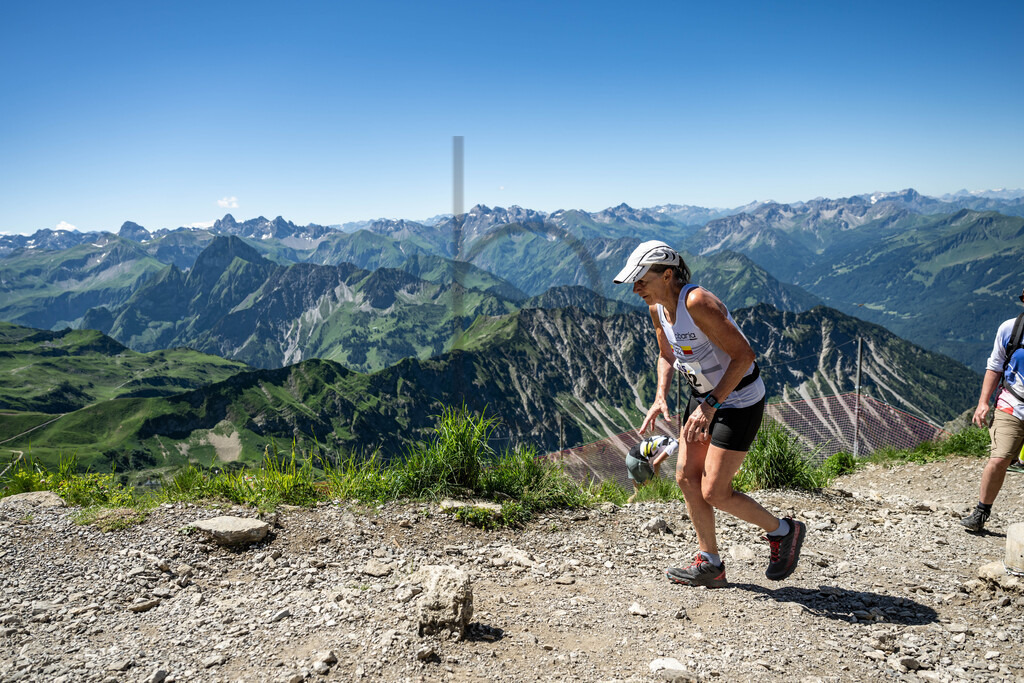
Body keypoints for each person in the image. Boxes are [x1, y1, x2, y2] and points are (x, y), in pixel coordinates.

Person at [614, 240, 805, 587]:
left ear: (667, 274)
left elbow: (745, 356)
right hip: (704, 399)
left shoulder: (696, 302)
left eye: (641, 278)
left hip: (738, 400)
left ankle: (784, 531)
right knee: (687, 477)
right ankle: (710, 563)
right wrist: (660, 396)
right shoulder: (657, 308)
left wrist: (711, 404)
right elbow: (666, 354)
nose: (635, 287)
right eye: (633, 281)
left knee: (715, 491)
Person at [961, 286, 1024, 531]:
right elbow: (995, 366)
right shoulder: (1010, 329)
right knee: (999, 460)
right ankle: (981, 511)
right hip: (1012, 404)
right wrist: (983, 402)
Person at [625, 434, 678, 503]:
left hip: (630, 457)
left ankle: (625, 507)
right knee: (657, 490)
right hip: (638, 461)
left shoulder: (669, 439)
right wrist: (657, 480)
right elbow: (656, 463)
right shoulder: (674, 445)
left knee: (638, 493)